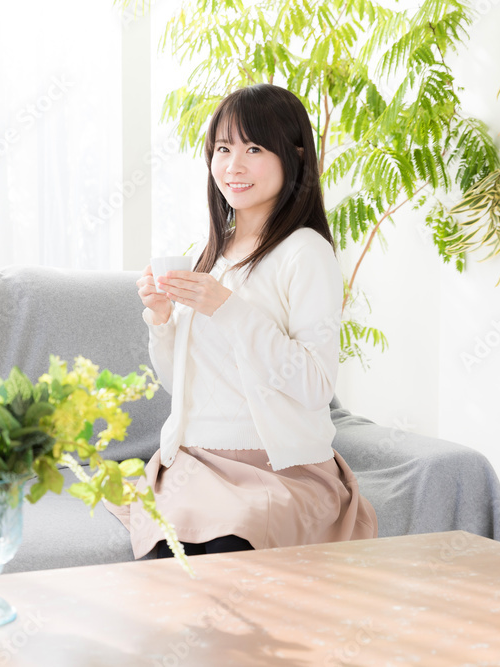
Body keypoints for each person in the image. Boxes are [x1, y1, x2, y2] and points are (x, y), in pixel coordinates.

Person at [105, 83, 378, 559]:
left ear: (293, 156)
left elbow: (316, 385)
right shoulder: (210, 255)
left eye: (254, 148)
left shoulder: (305, 253)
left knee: (227, 552)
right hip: (194, 462)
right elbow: (180, 386)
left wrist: (229, 310)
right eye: (223, 149)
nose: (233, 165)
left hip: (280, 469)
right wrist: (162, 318)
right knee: (171, 567)